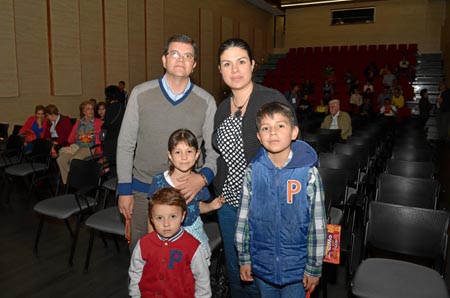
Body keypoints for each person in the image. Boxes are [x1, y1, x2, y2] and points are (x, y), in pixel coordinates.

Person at [117, 34, 219, 251]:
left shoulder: (206, 101)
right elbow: (126, 144)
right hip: (143, 191)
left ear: (194, 65)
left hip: (185, 195)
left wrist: (202, 178)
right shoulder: (140, 93)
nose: (181, 59)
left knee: (181, 261)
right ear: (164, 60)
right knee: (142, 254)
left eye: (187, 56)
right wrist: (124, 190)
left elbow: (214, 151)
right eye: (174, 53)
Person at [213, 38, 292, 298]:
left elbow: (294, 153)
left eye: (241, 62)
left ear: (253, 65)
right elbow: (221, 155)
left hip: (263, 206)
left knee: (262, 277)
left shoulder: (270, 99)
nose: (234, 70)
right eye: (227, 64)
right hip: (228, 205)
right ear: (220, 70)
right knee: (236, 273)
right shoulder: (222, 108)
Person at [236, 102, 326, 297]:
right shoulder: (252, 171)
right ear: (259, 137)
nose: (273, 133)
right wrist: (244, 258)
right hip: (262, 266)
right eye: (266, 128)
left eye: (280, 126)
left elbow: (317, 225)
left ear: (294, 132)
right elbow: (243, 219)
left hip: (297, 269)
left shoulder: (309, 173)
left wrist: (314, 267)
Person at [147, 129, 225, 260]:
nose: (184, 157)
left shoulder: (198, 182)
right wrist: (151, 241)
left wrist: (211, 206)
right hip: (166, 235)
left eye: (189, 151)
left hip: (193, 233)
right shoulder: (159, 181)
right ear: (170, 155)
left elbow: (197, 207)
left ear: (197, 154)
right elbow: (151, 213)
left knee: (196, 272)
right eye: (178, 152)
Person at [128, 187, 211, 298]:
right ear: (151, 219)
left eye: (173, 216)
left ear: (182, 216)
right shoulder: (144, 244)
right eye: (159, 218)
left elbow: (202, 280)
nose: (166, 224)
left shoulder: (193, 247)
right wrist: (135, 295)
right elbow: (135, 272)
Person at [56, 101, 102, 185]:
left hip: (90, 147)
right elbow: (70, 140)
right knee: (61, 159)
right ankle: (69, 183)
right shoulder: (78, 123)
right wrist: (77, 135)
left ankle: (79, 182)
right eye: (88, 109)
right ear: (83, 112)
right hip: (78, 147)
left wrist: (93, 131)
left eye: (92, 108)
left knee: (74, 160)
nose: (91, 111)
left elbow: (104, 131)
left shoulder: (98, 122)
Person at [101, 85, 126, 173]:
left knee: (110, 162)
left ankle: (109, 181)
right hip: (120, 137)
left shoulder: (110, 108)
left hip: (110, 138)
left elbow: (106, 124)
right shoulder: (122, 106)